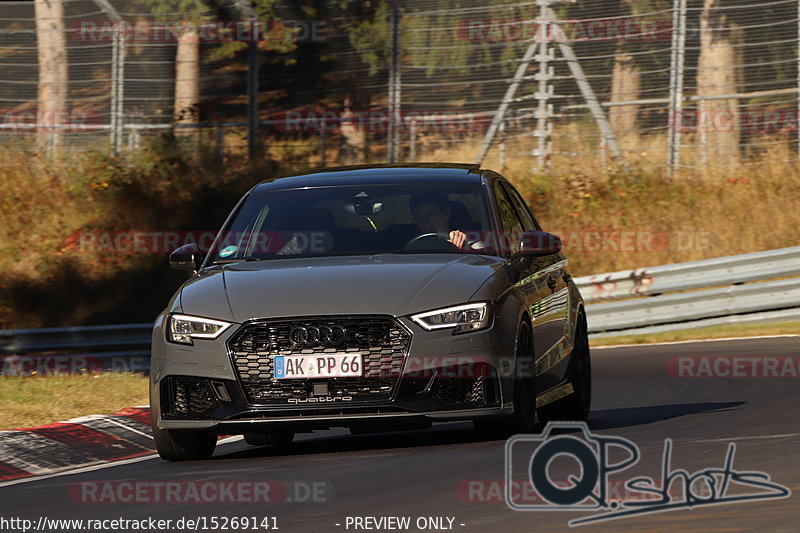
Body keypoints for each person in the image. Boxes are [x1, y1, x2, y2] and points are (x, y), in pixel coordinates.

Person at [409, 193, 479, 250]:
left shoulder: (468, 241)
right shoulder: (411, 248)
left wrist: (463, 243)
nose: (425, 223)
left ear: (446, 213)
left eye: (431, 214)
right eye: (419, 217)